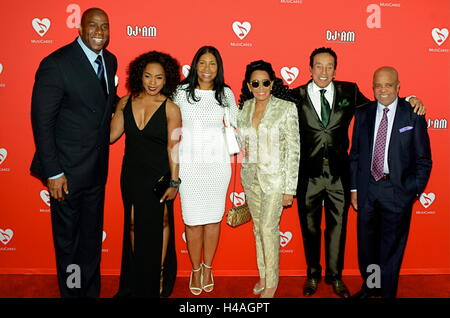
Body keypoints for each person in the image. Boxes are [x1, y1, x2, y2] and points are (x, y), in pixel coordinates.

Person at [288, 47, 425, 298]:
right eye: (319, 66)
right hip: (307, 176)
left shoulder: (348, 91)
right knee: (310, 229)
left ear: (335, 69)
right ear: (310, 68)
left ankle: (336, 276)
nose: (324, 71)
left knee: (338, 230)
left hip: (341, 177)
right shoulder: (294, 95)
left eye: (329, 66)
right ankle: (313, 274)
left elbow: (382, 103)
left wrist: (410, 99)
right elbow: (273, 115)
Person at [30, 8, 117, 298]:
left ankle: (89, 292)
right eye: (93, 25)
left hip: (96, 169)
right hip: (65, 173)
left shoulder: (110, 60)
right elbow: (42, 123)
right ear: (79, 28)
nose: (99, 31)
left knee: (91, 240)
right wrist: (53, 172)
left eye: (104, 26)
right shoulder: (56, 64)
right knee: (69, 243)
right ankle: (73, 293)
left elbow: (105, 105)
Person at [349, 67, 432, 298]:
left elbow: (424, 159)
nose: (383, 90)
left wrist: (412, 191)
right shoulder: (363, 113)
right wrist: (355, 188)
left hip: (397, 191)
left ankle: (387, 293)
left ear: (398, 86)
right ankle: (371, 286)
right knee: (368, 247)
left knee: (391, 250)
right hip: (367, 190)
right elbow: (355, 154)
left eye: (388, 85)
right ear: (372, 87)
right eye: (378, 85)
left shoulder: (412, 113)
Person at [111, 51, 181, 298]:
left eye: (159, 78)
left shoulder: (171, 108)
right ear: (140, 76)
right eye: (148, 76)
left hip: (159, 175)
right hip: (131, 174)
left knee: (161, 221)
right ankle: (140, 274)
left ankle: (159, 273)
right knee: (132, 224)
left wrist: (174, 181)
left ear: (167, 80)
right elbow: (110, 136)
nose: (153, 82)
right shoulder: (125, 102)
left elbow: (174, 147)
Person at [173, 46, 238, 295]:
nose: (207, 68)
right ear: (195, 65)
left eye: (212, 63)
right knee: (191, 221)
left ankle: (208, 267)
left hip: (217, 166)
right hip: (188, 165)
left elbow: (238, 122)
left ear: (218, 67)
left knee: (212, 220)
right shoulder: (181, 92)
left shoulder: (226, 94)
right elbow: (166, 117)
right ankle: (195, 267)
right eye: (202, 63)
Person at [237, 60, 300, 298]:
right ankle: (263, 274)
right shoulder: (244, 108)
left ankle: (272, 281)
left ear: (272, 83)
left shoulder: (285, 108)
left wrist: (289, 188)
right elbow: (242, 144)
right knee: (257, 229)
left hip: (275, 179)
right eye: (256, 83)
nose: (261, 87)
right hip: (250, 178)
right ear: (249, 85)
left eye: (265, 82)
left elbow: (294, 150)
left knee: (267, 228)